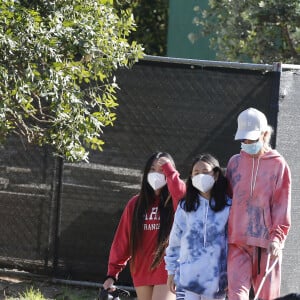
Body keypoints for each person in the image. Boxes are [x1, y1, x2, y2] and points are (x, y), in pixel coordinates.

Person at [226, 107, 292, 300]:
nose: (247, 143)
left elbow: (282, 204)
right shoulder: (234, 163)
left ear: (264, 134)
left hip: (267, 245)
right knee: (236, 296)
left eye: (252, 139)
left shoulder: (278, 164)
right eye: (243, 139)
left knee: (267, 297)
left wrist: (277, 238)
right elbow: (227, 201)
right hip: (237, 242)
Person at [102, 151, 186, 300]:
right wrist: (112, 274)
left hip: (168, 269)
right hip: (142, 270)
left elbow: (181, 192)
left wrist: (169, 169)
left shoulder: (175, 202)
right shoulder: (135, 203)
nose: (157, 174)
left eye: (162, 170)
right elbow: (122, 240)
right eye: (152, 169)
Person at [165, 153, 231, 300]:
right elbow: (175, 241)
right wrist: (171, 272)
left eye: (205, 172)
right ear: (191, 177)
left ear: (215, 175)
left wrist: (231, 275)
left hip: (217, 283)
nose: (201, 176)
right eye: (196, 172)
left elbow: (232, 245)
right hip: (186, 281)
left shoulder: (228, 206)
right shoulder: (185, 206)